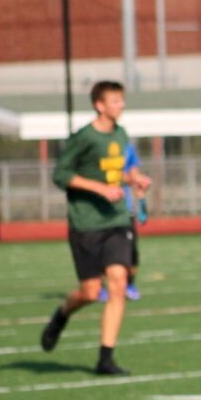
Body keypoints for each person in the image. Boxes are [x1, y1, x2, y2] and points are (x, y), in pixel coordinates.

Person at [41, 81, 151, 375]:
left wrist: (134, 180)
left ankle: (106, 358)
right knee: (90, 292)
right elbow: (61, 174)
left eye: (122, 100)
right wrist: (99, 189)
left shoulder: (121, 133)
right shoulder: (84, 137)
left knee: (118, 283)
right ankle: (62, 315)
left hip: (116, 219)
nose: (121, 106)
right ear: (99, 105)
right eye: (115, 101)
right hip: (86, 222)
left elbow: (121, 171)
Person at [97, 142, 150, 302]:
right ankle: (100, 287)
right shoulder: (94, 145)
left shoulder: (127, 147)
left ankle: (130, 285)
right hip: (99, 210)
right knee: (101, 252)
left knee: (131, 253)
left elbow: (134, 175)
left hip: (124, 211)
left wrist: (140, 198)